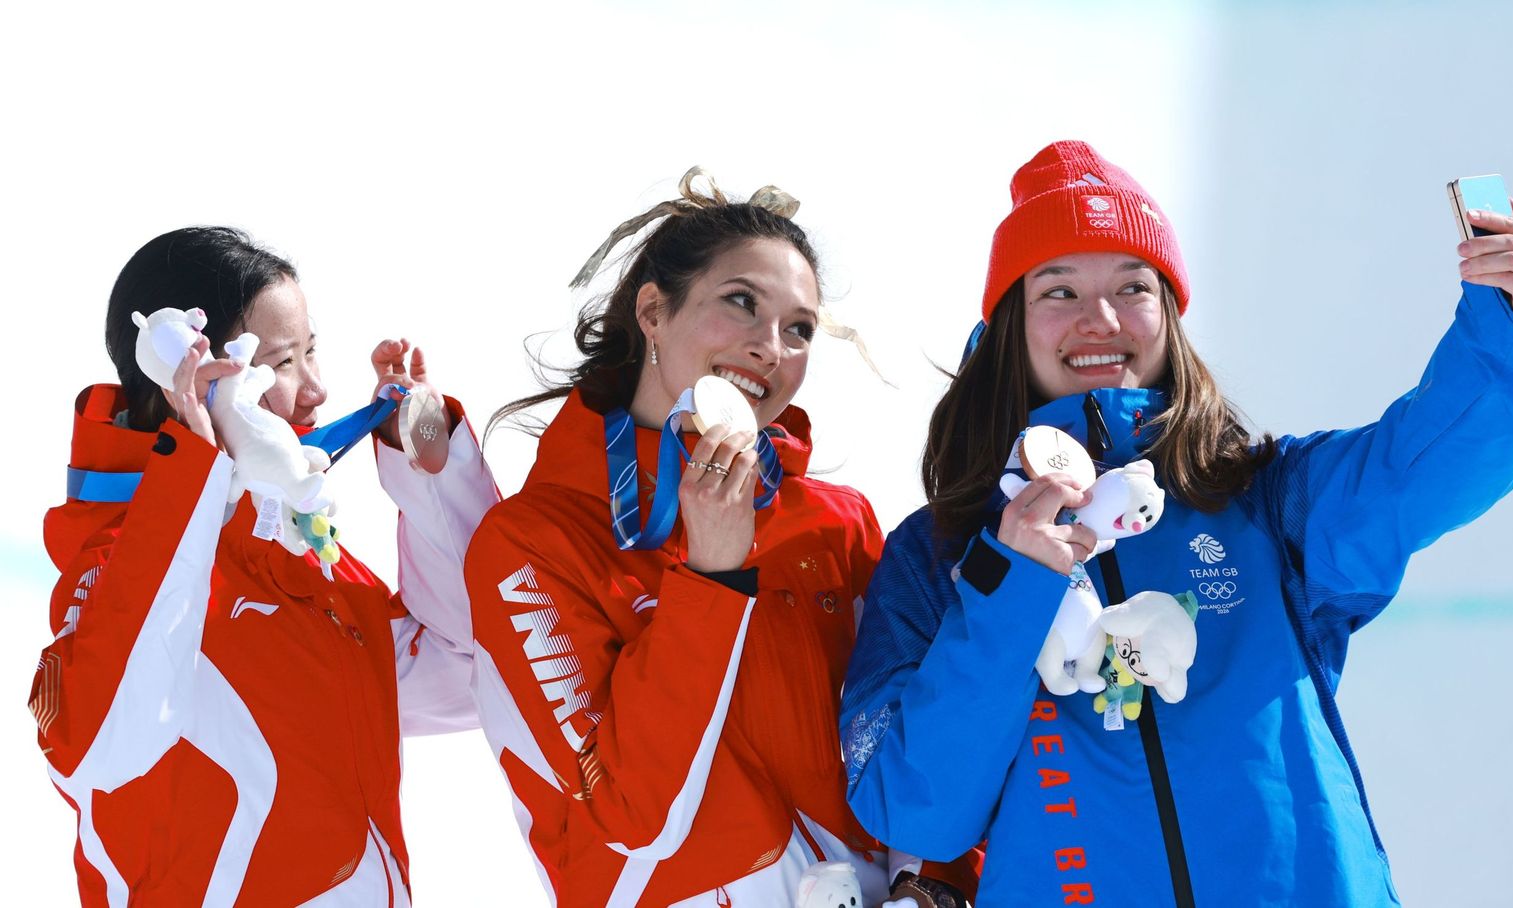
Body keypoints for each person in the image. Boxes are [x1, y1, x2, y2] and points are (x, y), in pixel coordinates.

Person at [840, 141, 1513, 906]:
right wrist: (1010, 584)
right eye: (1057, 292)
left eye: (1133, 286)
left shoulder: (1265, 496)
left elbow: (1429, 467)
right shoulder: (939, 553)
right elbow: (916, 809)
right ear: (1008, 327)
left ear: (1169, 315)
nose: (1100, 319)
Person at [463, 170, 978, 907]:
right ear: (653, 311)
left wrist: (933, 886)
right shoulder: (531, 545)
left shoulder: (836, 526)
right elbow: (628, 817)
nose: (771, 347)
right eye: (741, 303)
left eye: (798, 328)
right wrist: (710, 577)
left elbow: (922, 741)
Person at [29, 226, 498, 906]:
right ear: (190, 377)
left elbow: (473, 670)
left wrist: (430, 477)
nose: (317, 390)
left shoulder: (302, 560)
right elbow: (103, 748)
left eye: (312, 352)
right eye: (283, 363)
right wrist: (191, 468)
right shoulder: (112, 562)